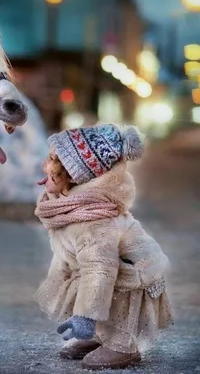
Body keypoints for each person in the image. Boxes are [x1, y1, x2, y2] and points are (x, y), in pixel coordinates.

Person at [34, 124, 173, 370]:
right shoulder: (72, 207)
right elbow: (72, 256)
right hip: (106, 269)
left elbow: (101, 269)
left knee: (106, 280)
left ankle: (122, 345)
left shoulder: (94, 219)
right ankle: (100, 335)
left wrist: (85, 316)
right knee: (84, 279)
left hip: (136, 274)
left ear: (75, 174)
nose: (45, 165)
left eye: (53, 160)